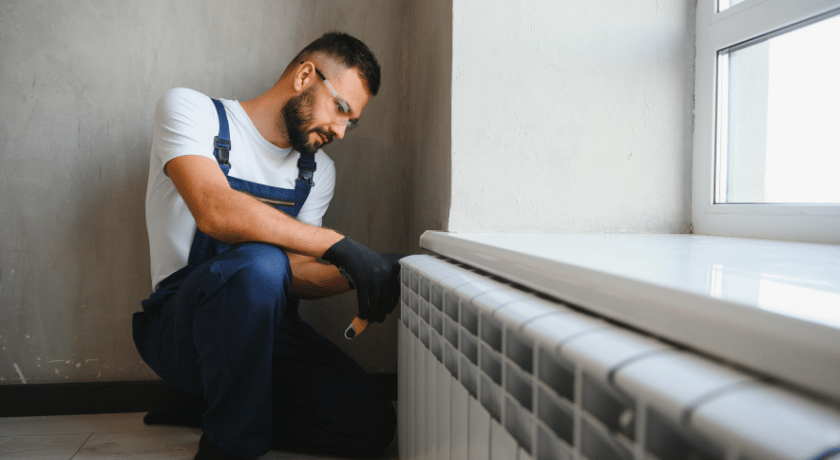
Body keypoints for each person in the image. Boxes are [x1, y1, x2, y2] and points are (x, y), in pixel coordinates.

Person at [131, 32, 401, 460]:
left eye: (351, 121)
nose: (341, 131)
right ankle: (226, 447)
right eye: (341, 109)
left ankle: (217, 407)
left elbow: (296, 275)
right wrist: (336, 243)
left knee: (369, 423)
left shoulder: (317, 172)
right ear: (305, 76)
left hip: (268, 333)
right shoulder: (191, 111)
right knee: (259, 262)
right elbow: (214, 209)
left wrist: (373, 268)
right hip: (181, 332)